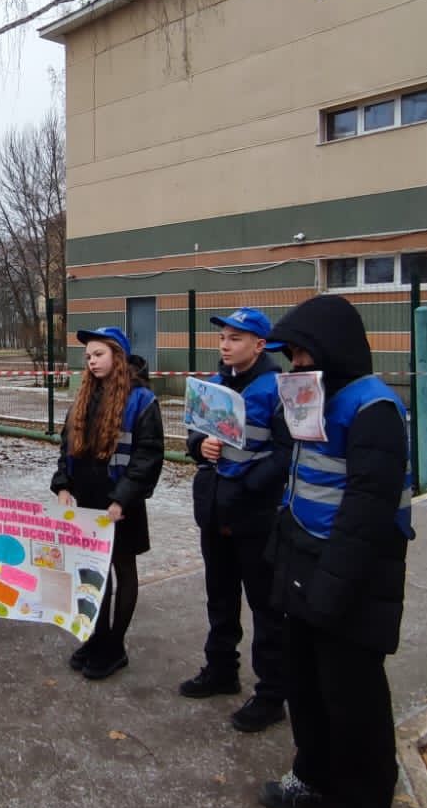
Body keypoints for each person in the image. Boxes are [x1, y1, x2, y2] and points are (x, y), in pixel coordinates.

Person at [256, 294, 414, 808]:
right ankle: (315, 774)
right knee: (307, 685)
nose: (294, 365)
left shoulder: (373, 409)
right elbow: (297, 474)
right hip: (303, 561)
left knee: (355, 701)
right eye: (291, 356)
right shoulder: (315, 399)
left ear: (331, 350)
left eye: (301, 354)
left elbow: (367, 512)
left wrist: (329, 589)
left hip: (352, 577)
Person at [180, 308, 293, 733]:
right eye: (223, 338)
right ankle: (221, 669)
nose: (225, 345)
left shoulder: (277, 389)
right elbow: (195, 434)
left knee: (265, 607)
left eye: (235, 338)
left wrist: (247, 485)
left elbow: (286, 452)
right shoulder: (213, 385)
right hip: (214, 509)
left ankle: (270, 695)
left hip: (256, 514)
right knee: (220, 596)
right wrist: (199, 447)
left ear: (259, 345)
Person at [50, 327, 164, 680]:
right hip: (86, 504)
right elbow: (66, 449)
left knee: (122, 570)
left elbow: (148, 457)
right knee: (92, 575)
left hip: (120, 506)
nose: (92, 361)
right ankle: (97, 637)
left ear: (118, 355)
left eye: (98, 354)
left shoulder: (142, 400)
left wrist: (122, 500)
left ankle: (115, 646)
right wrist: (62, 485)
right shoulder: (84, 396)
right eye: (88, 356)